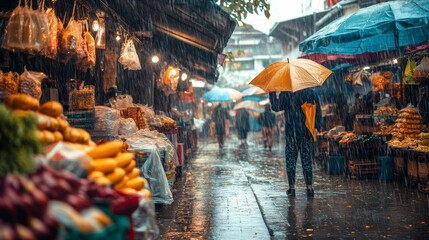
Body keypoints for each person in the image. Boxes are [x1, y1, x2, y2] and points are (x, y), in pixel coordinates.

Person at [269, 88, 322, 198]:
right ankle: (309, 188)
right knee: (306, 159)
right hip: (306, 131)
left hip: (291, 132)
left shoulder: (287, 92)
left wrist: (272, 92)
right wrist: (317, 126)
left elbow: (276, 107)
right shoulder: (310, 92)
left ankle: (292, 188)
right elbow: (318, 110)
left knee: (290, 160)